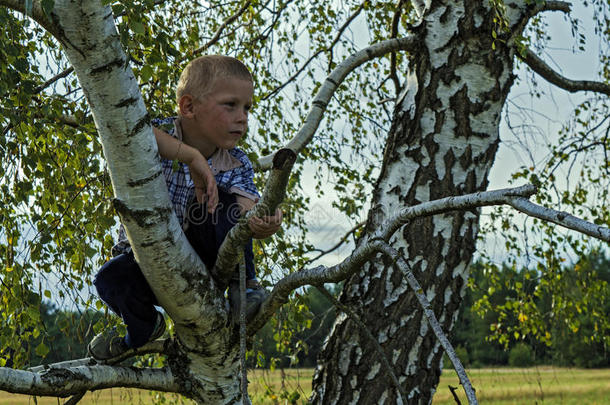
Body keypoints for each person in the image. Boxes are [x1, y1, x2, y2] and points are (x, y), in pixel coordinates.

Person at [88, 55, 283, 361]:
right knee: (109, 278)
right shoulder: (158, 132)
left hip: (204, 259)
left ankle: (243, 287)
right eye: (230, 105)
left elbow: (247, 209)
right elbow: (128, 130)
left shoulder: (236, 161)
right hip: (147, 260)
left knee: (223, 201)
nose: (243, 117)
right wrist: (192, 157)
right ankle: (141, 329)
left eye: (247, 108)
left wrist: (266, 218)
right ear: (189, 107)